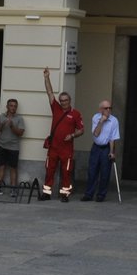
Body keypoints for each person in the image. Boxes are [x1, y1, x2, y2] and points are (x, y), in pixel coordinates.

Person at [40, 71, 83, 202]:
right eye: (62, 100)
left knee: (66, 172)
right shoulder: (56, 108)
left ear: (70, 100)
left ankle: (65, 194)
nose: (63, 102)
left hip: (66, 149)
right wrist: (47, 78)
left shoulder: (75, 114)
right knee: (49, 170)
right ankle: (46, 193)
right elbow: (50, 93)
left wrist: (72, 135)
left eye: (66, 100)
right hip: (53, 147)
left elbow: (81, 130)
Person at [82, 101, 122, 203]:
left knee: (105, 173)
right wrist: (101, 122)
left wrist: (112, 151)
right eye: (106, 108)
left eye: (110, 108)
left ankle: (101, 195)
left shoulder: (114, 121)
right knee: (92, 171)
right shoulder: (95, 117)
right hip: (96, 147)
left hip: (106, 148)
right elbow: (96, 134)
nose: (108, 110)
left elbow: (113, 138)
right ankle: (89, 194)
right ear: (101, 110)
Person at [0, 98, 24, 188]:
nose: (13, 108)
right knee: (1, 167)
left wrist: (12, 126)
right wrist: (2, 124)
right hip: (1, 145)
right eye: (11, 105)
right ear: (7, 106)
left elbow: (20, 133)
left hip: (14, 147)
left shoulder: (19, 118)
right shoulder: (1, 116)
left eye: (15, 106)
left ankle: (13, 188)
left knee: (13, 168)